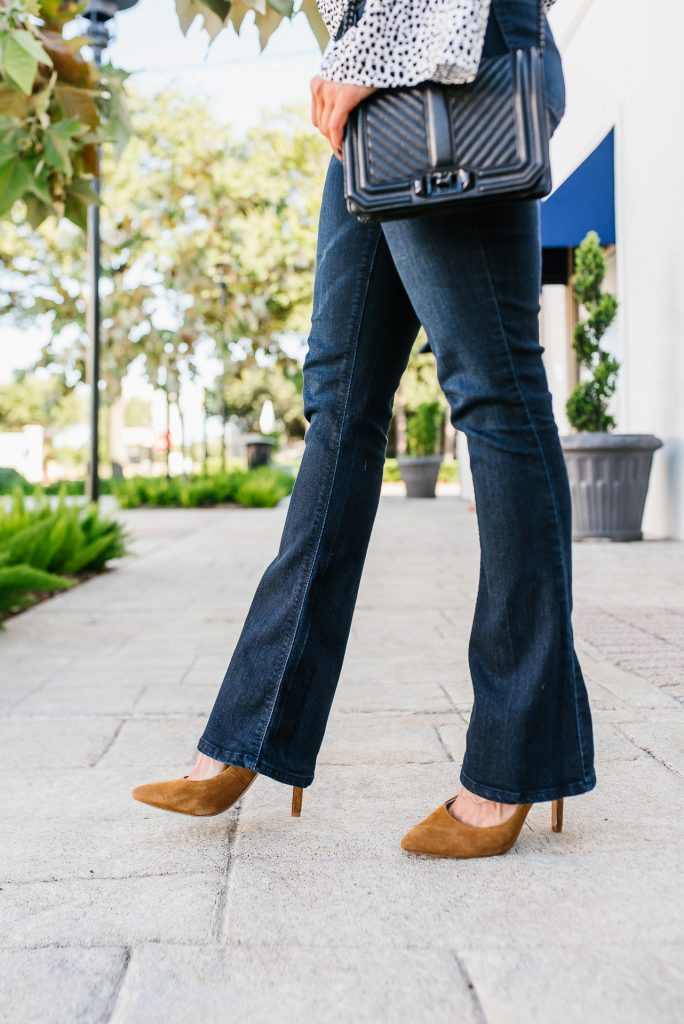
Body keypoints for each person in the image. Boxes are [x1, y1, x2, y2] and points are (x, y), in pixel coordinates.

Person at [132, 0, 596, 858]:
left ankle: (515, 759)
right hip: (372, 80)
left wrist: (376, 51)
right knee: (338, 409)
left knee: (492, 392)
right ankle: (250, 734)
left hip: (447, 55)